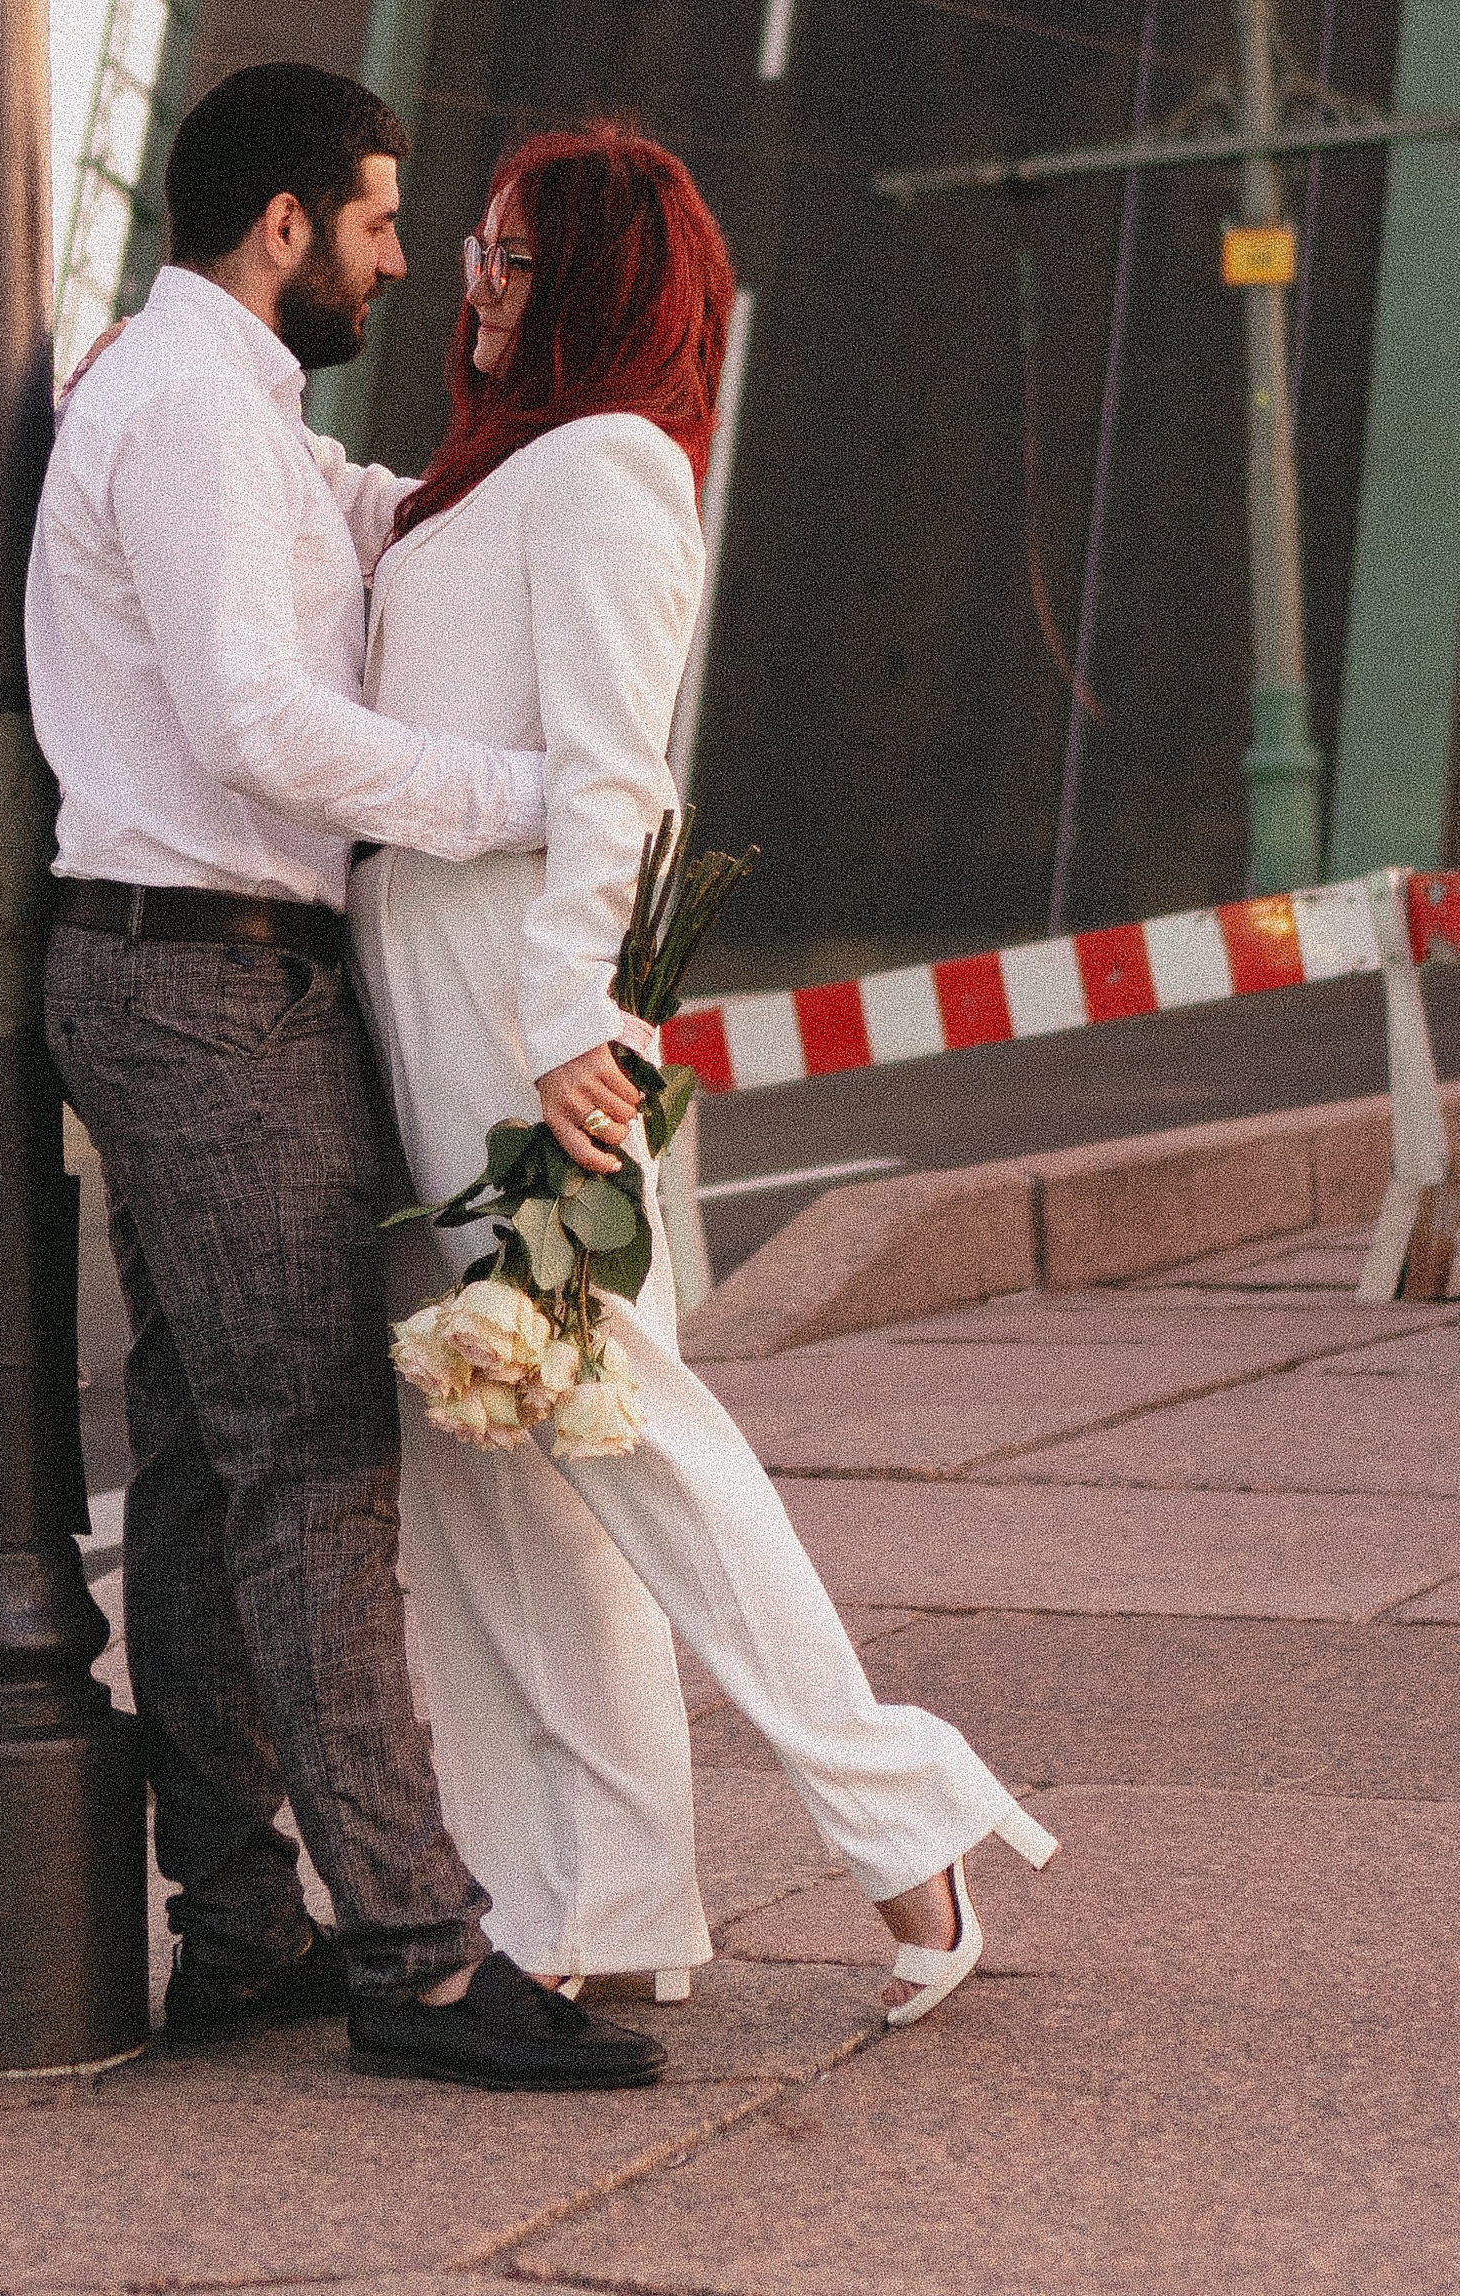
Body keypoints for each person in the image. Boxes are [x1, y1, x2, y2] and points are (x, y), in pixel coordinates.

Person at [350, 119, 1056, 2029]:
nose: (474, 283)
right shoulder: (478, 481)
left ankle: (900, 1819)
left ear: (586, 280)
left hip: (518, 998)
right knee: (495, 1460)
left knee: (624, 1423)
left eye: (508, 255)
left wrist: (579, 1017)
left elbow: (618, 770)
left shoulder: (605, 471)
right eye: (477, 249)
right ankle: (592, 1896)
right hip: (423, 979)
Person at [25, 62, 664, 2094]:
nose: (403, 259)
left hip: (189, 973)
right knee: (310, 1463)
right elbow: (251, 723)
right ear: (285, 225)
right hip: (202, 983)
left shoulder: (235, 410)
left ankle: (237, 1929)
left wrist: (521, 482)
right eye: (383, 224)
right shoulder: (196, 407)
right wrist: (527, 798)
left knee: (218, 1469)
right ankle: (417, 1952)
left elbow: (382, 531)